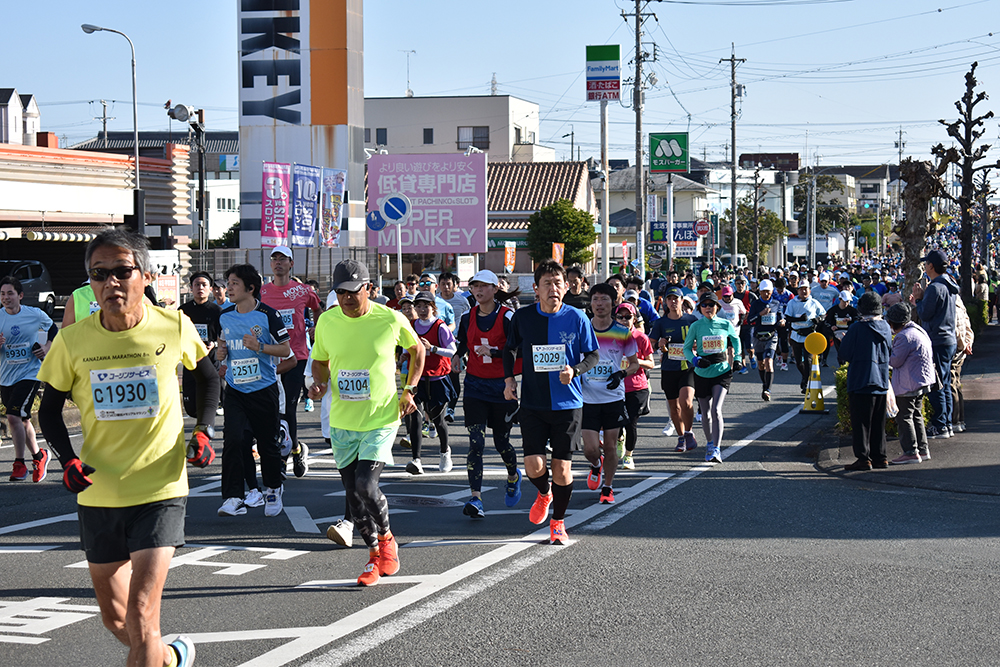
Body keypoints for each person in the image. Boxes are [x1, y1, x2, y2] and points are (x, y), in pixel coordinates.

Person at [37, 228, 218, 667]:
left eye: (122, 271)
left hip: (160, 488)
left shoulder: (174, 325)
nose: (110, 283)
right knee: (116, 619)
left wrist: (204, 431)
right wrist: (68, 460)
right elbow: (50, 411)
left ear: (146, 275)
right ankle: (170, 658)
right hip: (99, 491)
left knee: (140, 614)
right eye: (99, 274)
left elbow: (209, 378)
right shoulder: (72, 340)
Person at [309, 259, 425, 586]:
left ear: (369, 289)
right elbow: (320, 361)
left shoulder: (389, 318)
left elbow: (417, 350)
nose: (346, 298)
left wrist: (410, 390)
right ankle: (374, 556)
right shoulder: (328, 321)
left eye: (353, 291)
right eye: (340, 292)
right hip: (343, 420)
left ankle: (387, 540)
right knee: (352, 492)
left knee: (365, 484)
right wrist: (319, 384)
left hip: (380, 417)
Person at [503, 260, 599, 545]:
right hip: (533, 403)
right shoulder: (523, 317)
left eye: (558, 283)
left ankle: (558, 522)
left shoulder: (577, 318)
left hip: (568, 404)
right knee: (533, 466)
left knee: (562, 468)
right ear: (536, 288)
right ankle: (544, 493)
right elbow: (510, 350)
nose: (553, 288)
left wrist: (575, 371)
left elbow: (592, 355)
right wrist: (509, 380)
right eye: (547, 283)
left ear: (566, 287)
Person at [215, 264, 291, 518]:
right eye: (228, 283)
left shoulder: (268, 315)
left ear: (250, 288)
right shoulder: (225, 315)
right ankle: (233, 496)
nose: (229, 288)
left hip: (263, 388)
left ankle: (273, 488)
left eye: (234, 283)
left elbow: (285, 350)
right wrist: (221, 353)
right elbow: (222, 343)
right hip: (236, 389)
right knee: (234, 440)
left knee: (268, 445)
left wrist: (260, 347)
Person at [454, 269, 523, 518]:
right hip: (475, 386)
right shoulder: (466, 317)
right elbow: (464, 342)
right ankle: (476, 498)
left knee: (501, 442)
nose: (479, 290)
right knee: (476, 443)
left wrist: (494, 353)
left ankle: (513, 476)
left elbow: (520, 350)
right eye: (475, 286)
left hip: (502, 386)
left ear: (495, 289)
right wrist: (457, 356)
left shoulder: (508, 317)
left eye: (484, 286)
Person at [259, 245, 322, 477]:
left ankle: (282, 457)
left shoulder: (303, 290)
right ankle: (296, 448)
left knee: (289, 407)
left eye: (283, 259)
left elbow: (318, 309)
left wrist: (316, 328)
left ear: (291, 264)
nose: (278, 262)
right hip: (270, 356)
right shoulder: (262, 292)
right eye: (274, 258)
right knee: (273, 408)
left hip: (297, 356)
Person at [580, 283, 639, 504]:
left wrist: (621, 374)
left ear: (613, 303)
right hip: (587, 398)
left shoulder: (623, 332)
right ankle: (596, 464)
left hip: (613, 397)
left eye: (604, 299)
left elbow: (635, 364)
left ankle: (608, 487)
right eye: (595, 299)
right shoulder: (583, 329)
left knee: (612, 446)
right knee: (590, 449)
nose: (599, 304)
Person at [1, 276, 58, 482]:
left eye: (10, 293)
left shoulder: (34, 314)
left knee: (13, 416)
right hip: (6, 376)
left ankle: (19, 464)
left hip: (30, 373)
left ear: (20, 295)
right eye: (2, 294)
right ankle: (39, 456)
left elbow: (53, 329)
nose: (6, 297)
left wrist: (46, 347)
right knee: (22, 419)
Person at [683, 292, 741, 464]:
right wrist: (695, 360)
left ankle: (716, 448)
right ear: (700, 308)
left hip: (722, 371)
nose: (708, 307)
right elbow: (686, 348)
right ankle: (709, 443)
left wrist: (737, 358)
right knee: (706, 414)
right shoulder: (696, 326)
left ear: (717, 307)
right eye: (704, 305)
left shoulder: (725, 324)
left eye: (711, 304)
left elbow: (736, 340)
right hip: (702, 372)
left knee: (716, 409)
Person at [403, 292, 457, 475]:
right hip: (417, 379)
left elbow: (452, 351)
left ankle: (445, 452)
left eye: (426, 306)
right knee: (416, 418)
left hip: (437, 379)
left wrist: (433, 348)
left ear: (433, 307)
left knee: (438, 420)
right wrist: (403, 355)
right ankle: (416, 460)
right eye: (418, 306)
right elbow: (407, 347)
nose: (422, 310)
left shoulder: (440, 327)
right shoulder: (412, 325)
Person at [840, 292, 893, 471]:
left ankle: (863, 458)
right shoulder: (885, 327)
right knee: (879, 422)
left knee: (861, 423)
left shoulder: (857, 328)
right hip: (881, 380)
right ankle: (880, 457)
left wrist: (843, 340)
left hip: (861, 380)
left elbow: (845, 354)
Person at [910, 249, 959, 439]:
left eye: (926, 263)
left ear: (931, 266)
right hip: (948, 339)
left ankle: (940, 424)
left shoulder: (935, 287)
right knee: (944, 383)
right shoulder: (949, 284)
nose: (924, 266)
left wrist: (919, 299)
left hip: (937, 339)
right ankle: (946, 423)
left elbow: (925, 314)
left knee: (935, 384)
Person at [650, 285, 699, 450]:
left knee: (686, 401)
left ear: (682, 300)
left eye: (675, 299)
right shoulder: (661, 323)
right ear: (665, 302)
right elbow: (651, 345)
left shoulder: (691, 320)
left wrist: (696, 344)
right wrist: (660, 344)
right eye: (669, 299)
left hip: (688, 367)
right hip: (669, 368)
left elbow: (701, 340)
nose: (672, 302)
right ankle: (681, 436)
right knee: (674, 406)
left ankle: (689, 432)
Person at [885, 303, 934, 464]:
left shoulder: (904, 336)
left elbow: (894, 361)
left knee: (904, 417)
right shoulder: (918, 331)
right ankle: (923, 449)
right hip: (921, 381)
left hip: (908, 383)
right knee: (916, 415)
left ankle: (910, 452)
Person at [178, 271, 222, 420]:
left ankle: (205, 429)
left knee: (208, 404)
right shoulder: (183, 311)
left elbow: (224, 337)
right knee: (191, 408)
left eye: (204, 285)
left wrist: (213, 344)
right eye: (197, 285)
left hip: (211, 361)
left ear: (210, 289)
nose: (200, 288)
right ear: (191, 288)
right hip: (190, 362)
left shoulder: (217, 311)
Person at [617, 301, 654, 470]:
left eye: (628, 317)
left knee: (631, 423)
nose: (624, 320)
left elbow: (651, 363)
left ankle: (629, 455)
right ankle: (619, 438)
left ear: (634, 319)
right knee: (616, 422)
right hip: (615, 386)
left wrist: (635, 361)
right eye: (620, 317)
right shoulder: (610, 337)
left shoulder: (641, 338)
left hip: (636, 386)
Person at [744, 279, 784, 402]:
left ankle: (768, 390)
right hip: (758, 336)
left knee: (768, 361)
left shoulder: (776, 303)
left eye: (768, 291)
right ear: (760, 292)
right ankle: (765, 384)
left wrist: (782, 322)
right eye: (763, 291)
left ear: (772, 291)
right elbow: (750, 320)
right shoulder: (756, 304)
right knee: (761, 364)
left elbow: (781, 317)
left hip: (771, 336)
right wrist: (760, 314)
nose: (766, 294)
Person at [783, 281, 827, 394]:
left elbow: (823, 314)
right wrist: (799, 319)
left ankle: (806, 382)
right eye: (801, 289)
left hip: (810, 335)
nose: (803, 291)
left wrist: (818, 319)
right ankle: (805, 377)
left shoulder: (814, 302)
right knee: (798, 362)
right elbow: (787, 318)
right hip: (796, 335)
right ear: (797, 291)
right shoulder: (792, 303)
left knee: (808, 360)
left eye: (805, 289)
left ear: (809, 290)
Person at [438, 272, 470, 423]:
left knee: (453, 374)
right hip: (439, 343)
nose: (446, 287)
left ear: (454, 285)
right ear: (438, 285)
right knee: (439, 376)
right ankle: (439, 407)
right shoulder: (435, 301)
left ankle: (451, 407)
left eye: (448, 284)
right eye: (443, 284)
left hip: (456, 343)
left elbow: (468, 319)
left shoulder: (462, 301)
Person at [825, 290, 861, 366]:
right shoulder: (833, 310)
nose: (846, 303)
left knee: (848, 350)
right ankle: (842, 366)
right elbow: (827, 321)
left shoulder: (852, 310)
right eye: (844, 301)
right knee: (840, 351)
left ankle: (848, 365)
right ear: (840, 299)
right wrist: (832, 326)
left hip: (849, 333)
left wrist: (850, 319)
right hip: (837, 333)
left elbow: (858, 318)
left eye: (848, 301)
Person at [717, 285, 748, 374]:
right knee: (724, 350)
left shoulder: (737, 302)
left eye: (729, 296)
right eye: (725, 296)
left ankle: (730, 368)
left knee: (731, 350)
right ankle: (726, 367)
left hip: (734, 330)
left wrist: (741, 320)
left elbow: (744, 312)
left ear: (732, 294)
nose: (727, 298)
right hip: (722, 331)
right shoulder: (718, 303)